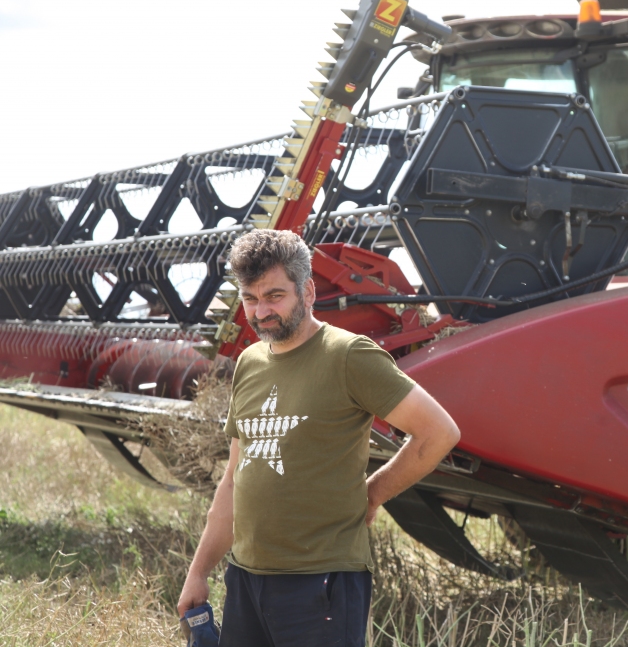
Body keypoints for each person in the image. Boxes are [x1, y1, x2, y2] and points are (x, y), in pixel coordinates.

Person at [176, 229, 461, 646]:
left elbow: (438, 433)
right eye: (251, 299)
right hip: (246, 579)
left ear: (308, 291)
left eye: (274, 296)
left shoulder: (349, 355)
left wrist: (373, 493)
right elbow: (235, 477)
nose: (260, 312)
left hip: (320, 584)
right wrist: (199, 572)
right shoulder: (250, 363)